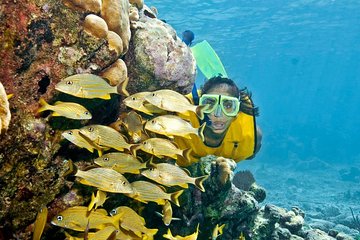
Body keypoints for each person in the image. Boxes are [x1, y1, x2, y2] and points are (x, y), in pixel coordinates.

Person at [174, 76, 262, 165]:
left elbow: (250, 155)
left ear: (237, 111)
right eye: (209, 103)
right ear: (199, 106)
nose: (218, 114)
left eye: (228, 106)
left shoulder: (252, 138)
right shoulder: (177, 113)